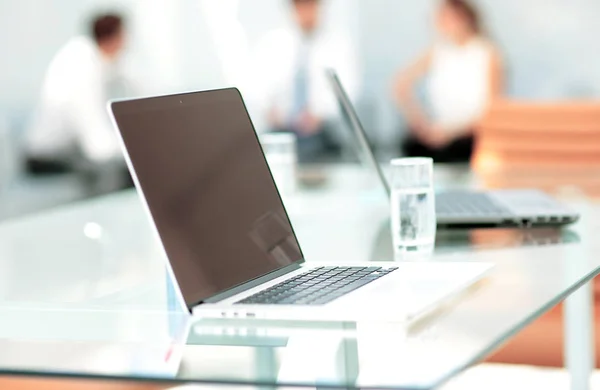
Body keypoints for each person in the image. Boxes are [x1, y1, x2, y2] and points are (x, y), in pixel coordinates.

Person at [249, 0, 358, 163]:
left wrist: (318, 115)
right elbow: (257, 89)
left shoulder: (338, 45)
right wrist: (271, 110)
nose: (306, 13)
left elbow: (348, 93)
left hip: (319, 132)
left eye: (311, 6)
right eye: (300, 7)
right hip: (279, 129)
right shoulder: (272, 44)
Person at [394, 0, 503, 163]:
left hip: (470, 138)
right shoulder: (438, 52)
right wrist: (421, 124)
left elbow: (493, 110)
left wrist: (451, 133)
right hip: (438, 134)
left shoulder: (487, 54)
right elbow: (399, 85)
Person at [26, 13, 129, 176]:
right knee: (115, 174)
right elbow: (96, 144)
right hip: (46, 158)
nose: (126, 45)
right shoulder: (81, 66)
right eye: (124, 38)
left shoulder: (94, 61)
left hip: (68, 152)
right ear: (113, 38)